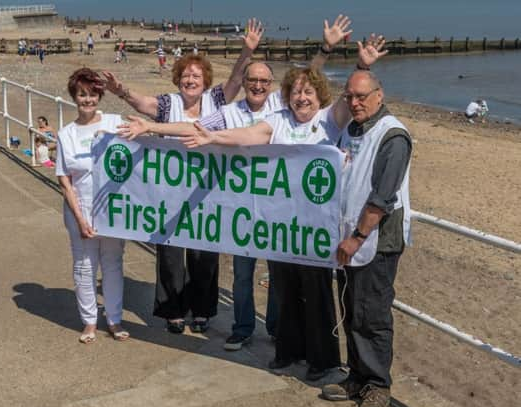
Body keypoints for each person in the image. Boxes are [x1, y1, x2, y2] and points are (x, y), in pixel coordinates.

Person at [178, 31, 387, 382]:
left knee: (317, 296)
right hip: (281, 228)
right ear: (286, 96)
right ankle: (288, 352)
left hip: (317, 228)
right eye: (295, 92)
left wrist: (361, 64)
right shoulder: (278, 121)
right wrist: (212, 137)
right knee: (286, 292)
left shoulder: (328, 120)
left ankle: (323, 362)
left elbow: (348, 99)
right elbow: (248, 136)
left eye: (308, 92)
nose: (301, 97)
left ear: (318, 95)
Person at [101, 18, 265, 335]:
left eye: (196, 75)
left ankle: (202, 310)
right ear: (178, 79)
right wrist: (120, 90)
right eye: (186, 75)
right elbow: (142, 103)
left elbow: (234, 80)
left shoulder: (216, 102)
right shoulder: (167, 104)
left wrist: (247, 51)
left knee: (205, 254)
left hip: (208, 192)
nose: (191, 79)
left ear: (205, 80)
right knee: (171, 254)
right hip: (171, 194)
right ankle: (173, 311)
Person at [118, 61, 285, 348]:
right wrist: (148, 125)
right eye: (252, 80)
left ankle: (273, 328)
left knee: (215, 258)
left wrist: (326, 50)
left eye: (264, 81)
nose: (258, 85)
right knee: (236, 272)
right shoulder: (227, 112)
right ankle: (234, 325)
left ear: (271, 85)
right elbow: (191, 127)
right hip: (198, 194)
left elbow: (308, 85)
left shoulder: (278, 110)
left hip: (253, 201)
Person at [320, 70, 412, 407]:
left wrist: (357, 237)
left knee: (372, 314)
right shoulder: (352, 129)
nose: (355, 102)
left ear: (378, 94)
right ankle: (356, 377)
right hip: (348, 237)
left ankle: (377, 385)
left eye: (361, 96)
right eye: (349, 97)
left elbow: (382, 197)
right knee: (351, 308)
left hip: (377, 239)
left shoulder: (393, 135)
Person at [55, 68, 128, 343]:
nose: (88, 100)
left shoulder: (113, 122)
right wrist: (80, 219)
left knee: (112, 263)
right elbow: (65, 180)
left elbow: (135, 155)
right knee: (85, 266)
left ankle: (114, 318)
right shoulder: (67, 134)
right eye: (82, 94)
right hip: (80, 208)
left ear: (100, 95)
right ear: (74, 96)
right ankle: (89, 322)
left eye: (93, 94)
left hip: (112, 208)